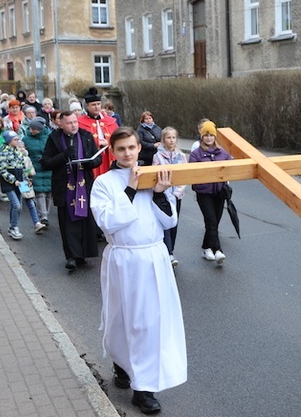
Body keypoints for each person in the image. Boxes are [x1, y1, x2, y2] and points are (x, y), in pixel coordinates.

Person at [90, 127, 187, 414]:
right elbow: (106, 222)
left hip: (153, 257)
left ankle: (143, 389)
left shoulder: (153, 176)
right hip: (124, 260)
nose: (128, 153)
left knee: (149, 323)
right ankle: (122, 363)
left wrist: (159, 193)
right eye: (121, 149)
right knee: (123, 319)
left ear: (138, 148)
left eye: (132, 148)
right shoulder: (105, 184)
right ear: (112, 151)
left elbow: (169, 222)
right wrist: (130, 189)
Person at [40, 110, 103, 271]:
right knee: (68, 223)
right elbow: (46, 163)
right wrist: (64, 155)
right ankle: (71, 257)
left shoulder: (86, 136)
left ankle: (83, 254)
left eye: (75, 122)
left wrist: (90, 162)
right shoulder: (53, 139)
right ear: (61, 124)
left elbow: (98, 157)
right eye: (69, 123)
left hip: (84, 184)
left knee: (85, 221)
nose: (74, 125)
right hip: (64, 186)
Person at [189, 120, 233, 265]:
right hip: (204, 193)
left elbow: (231, 168)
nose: (208, 138)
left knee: (214, 222)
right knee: (211, 220)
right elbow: (192, 172)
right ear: (201, 137)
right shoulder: (196, 154)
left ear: (215, 137)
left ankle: (206, 247)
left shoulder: (223, 153)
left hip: (219, 192)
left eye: (211, 135)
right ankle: (217, 250)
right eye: (206, 135)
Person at [0, 130, 46, 240]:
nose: (17, 141)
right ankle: (14, 227)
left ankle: (35, 223)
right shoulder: (4, 152)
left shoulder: (18, 151)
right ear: (9, 141)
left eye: (17, 139)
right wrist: (14, 180)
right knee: (17, 205)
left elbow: (22, 167)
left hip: (21, 181)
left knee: (29, 200)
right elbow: (1, 169)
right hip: (10, 183)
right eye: (15, 139)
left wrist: (25, 179)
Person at [152, 126, 187, 267]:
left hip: (177, 195)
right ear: (163, 140)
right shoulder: (158, 156)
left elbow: (185, 175)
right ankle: (169, 252)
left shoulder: (181, 156)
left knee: (174, 222)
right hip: (164, 195)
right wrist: (163, 191)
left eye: (173, 138)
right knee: (165, 223)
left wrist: (178, 192)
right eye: (168, 138)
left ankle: (171, 248)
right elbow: (155, 174)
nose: (171, 140)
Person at [78, 87, 118, 178]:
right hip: (92, 159)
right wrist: (96, 143)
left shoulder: (111, 121)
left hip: (108, 157)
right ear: (87, 106)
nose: (96, 107)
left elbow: (118, 138)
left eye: (98, 104)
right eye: (93, 104)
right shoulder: (80, 123)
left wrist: (108, 142)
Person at [23, 118, 53, 227]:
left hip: (48, 167)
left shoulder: (50, 137)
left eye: (34, 129)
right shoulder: (26, 139)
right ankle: (43, 216)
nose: (31, 130)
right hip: (35, 168)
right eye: (30, 128)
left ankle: (46, 213)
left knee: (49, 193)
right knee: (40, 193)